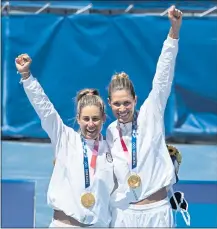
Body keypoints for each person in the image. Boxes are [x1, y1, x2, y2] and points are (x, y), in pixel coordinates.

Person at [106, 5, 189, 227]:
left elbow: (163, 76)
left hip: (157, 213)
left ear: (135, 100)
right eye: (117, 104)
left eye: (126, 103)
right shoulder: (110, 131)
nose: (122, 108)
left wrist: (174, 32)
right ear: (109, 104)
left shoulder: (151, 112)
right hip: (124, 215)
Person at [15, 54, 115, 227]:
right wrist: (26, 76)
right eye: (86, 119)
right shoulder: (65, 138)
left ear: (104, 118)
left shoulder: (110, 149)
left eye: (95, 119)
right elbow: (44, 108)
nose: (91, 124)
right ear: (78, 118)